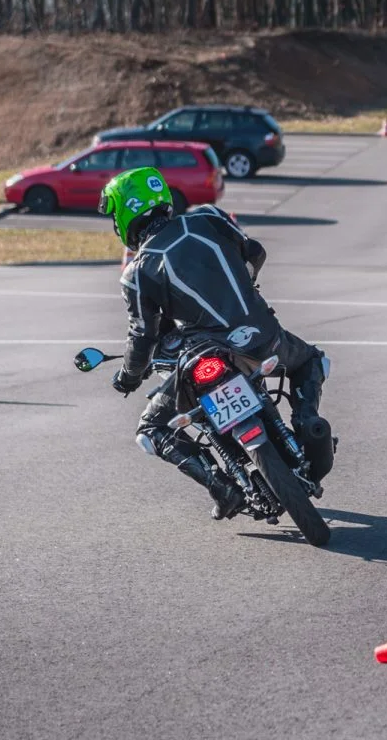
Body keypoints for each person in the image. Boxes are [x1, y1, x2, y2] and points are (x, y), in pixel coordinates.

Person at [99, 166, 334, 520]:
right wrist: (243, 289)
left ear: (124, 213)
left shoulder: (137, 272)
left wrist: (128, 377)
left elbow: (143, 335)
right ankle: (307, 424)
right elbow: (254, 253)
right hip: (261, 335)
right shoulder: (209, 217)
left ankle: (223, 489)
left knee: (151, 429)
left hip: (203, 358)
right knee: (310, 360)